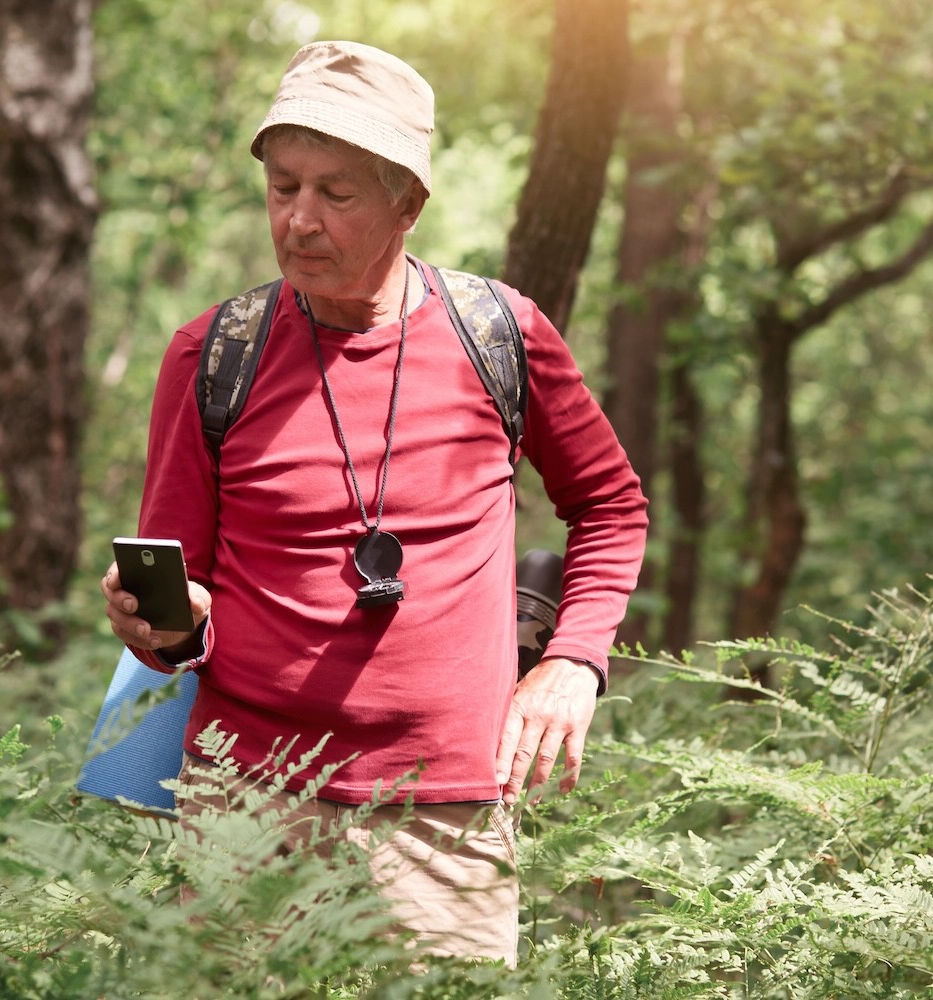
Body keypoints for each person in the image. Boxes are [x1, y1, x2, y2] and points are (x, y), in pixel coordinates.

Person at [101, 39, 647, 965]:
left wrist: (573, 665)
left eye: (336, 193)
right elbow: (174, 604)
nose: (300, 221)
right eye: (283, 187)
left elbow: (611, 506)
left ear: (408, 203)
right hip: (245, 806)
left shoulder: (501, 336)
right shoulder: (212, 354)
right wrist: (157, 623)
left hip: (446, 819)